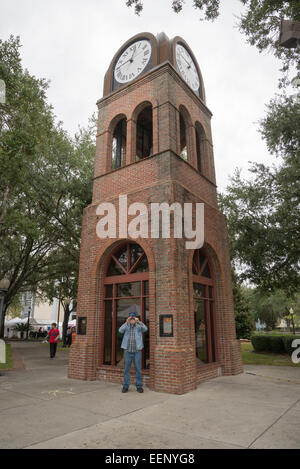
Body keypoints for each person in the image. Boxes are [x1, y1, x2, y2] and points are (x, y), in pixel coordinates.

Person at [118, 312, 148, 394]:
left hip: (137, 351)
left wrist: (139, 322)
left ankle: (139, 386)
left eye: (133, 318)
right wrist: (126, 322)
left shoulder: (138, 326)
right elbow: (120, 330)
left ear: (135, 319)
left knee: (138, 369)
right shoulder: (126, 326)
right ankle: (125, 386)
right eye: (131, 318)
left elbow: (145, 329)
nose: (132, 320)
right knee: (126, 369)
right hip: (127, 351)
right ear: (128, 319)